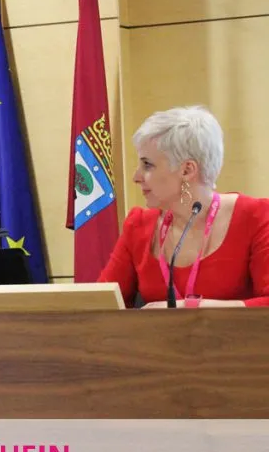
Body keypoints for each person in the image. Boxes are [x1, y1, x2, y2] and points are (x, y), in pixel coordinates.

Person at [99, 106, 269, 307]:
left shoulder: (257, 217)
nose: (136, 177)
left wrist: (189, 308)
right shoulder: (138, 226)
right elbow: (102, 306)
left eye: (147, 165)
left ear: (187, 170)